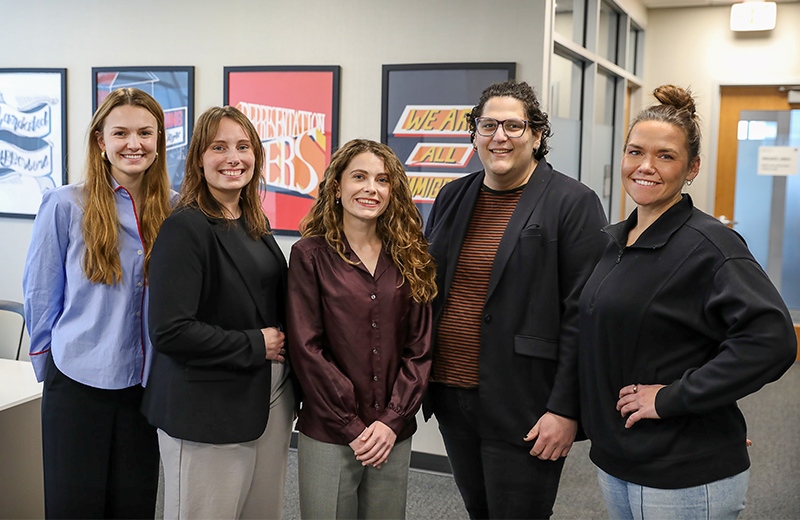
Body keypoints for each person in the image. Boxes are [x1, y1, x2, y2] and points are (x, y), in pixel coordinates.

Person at [578, 85, 797, 520]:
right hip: (617, 459)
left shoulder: (710, 244)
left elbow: (771, 340)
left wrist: (674, 398)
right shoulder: (615, 240)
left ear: (692, 167)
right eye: (635, 151)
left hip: (683, 469)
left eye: (665, 156)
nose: (645, 166)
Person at [423, 79, 609, 519]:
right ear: (474, 133)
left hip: (527, 402)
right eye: (488, 126)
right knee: (479, 510)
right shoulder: (453, 195)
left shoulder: (573, 202)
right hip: (454, 393)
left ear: (537, 134)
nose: (499, 137)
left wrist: (565, 410)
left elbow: (583, 315)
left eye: (513, 125)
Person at [23, 87, 172, 518]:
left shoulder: (176, 210)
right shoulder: (65, 204)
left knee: (134, 505)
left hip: (143, 386)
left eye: (145, 132)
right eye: (120, 132)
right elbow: (39, 291)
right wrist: (48, 362)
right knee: (75, 507)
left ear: (159, 140)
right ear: (100, 141)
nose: (134, 143)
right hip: (76, 380)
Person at [141, 106, 295, 519]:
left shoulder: (252, 221)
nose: (234, 157)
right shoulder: (184, 227)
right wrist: (254, 343)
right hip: (206, 410)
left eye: (244, 147)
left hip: (266, 400)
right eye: (219, 147)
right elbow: (170, 331)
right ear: (198, 158)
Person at [287, 139, 437, 519]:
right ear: (337, 187)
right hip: (330, 431)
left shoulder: (410, 254)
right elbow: (307, 347)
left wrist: (391, 421)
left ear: (392, 191)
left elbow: (419, 349)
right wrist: (351, 425)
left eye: (382, 179)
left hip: (392, 434)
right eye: (359, 177)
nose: (371, 188)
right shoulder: (309, 255)